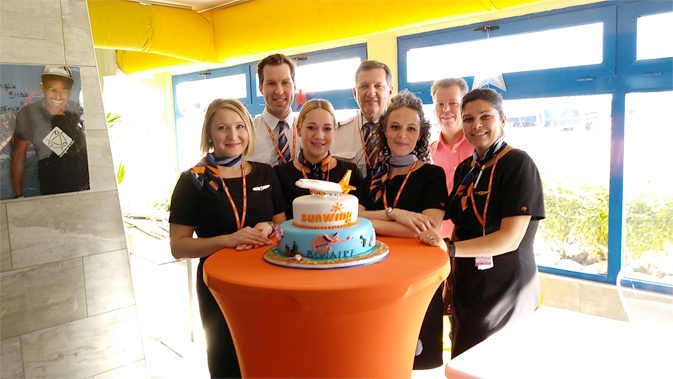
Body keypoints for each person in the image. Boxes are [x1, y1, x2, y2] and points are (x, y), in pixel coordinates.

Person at [419, 88, 545, 359]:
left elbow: (510, 239)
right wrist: (451, 275)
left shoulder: (518, 165)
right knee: (463, 356)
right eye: (468, 119)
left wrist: (449, 250)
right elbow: (460, 225)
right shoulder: (468, 168)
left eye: (485, 117)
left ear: (502, 120)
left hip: (506, 284)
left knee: (495, 362)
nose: (476, 126)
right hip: (468, 282)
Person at [169, 99, 287, 378]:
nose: (233, 136)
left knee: (268, 354)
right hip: (219, 285)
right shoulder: (194, 180)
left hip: (266, 279)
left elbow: (282, 224)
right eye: (222, 128)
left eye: (239, 126)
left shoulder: (265, 172)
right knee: (226, 359)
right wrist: (227, 240)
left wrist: (268, 227)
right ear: (210, 134)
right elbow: (178, 246)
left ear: (249, 130)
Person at [356, 90, 448, 370]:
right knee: (376, 356)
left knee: (411, 356)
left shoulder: (432, 175)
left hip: (415, 279)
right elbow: (352, 214)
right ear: (384, 130)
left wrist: (371, 223)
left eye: (411, 128)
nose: (402, 135)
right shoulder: (374, 174)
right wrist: (394, 214)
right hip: (373, 274)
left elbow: (427, 229)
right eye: (395, 127)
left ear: (421, 134)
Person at [274, 99, 363, 218]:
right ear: (299, 129)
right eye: (311, 127)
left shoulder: (351, 172)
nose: (319, 135)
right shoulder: (279, 175)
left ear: (334, 131)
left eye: (327, 129)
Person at [10, 65, 89, 197]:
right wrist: (18, 195)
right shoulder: (29, 114)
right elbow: (18, 155)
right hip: (53, 188)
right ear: (42, 88)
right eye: (52, 89)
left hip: (85, 184)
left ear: (70, 91)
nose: (58, 96)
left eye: (63, 90)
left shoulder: (76, 109)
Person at [332, 60, 394, 177]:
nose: (371, 93)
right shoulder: (335, 134)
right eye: (364, 86)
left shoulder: (405, 133)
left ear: (389, 92)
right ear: (355, 93)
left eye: (378, 86)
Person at [429, 78, 473, 238]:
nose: (445, 109)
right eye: (440, 104)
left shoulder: (480, 150)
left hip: (475, 240)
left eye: (453, 103)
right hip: (438, 240)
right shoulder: (428, 154)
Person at [250, 53, 300, 167]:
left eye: (285, 83)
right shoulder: (247, 134)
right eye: (271, 83)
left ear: (294, 86)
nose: (279, 91)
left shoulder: (311, 132)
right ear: (261, 88)